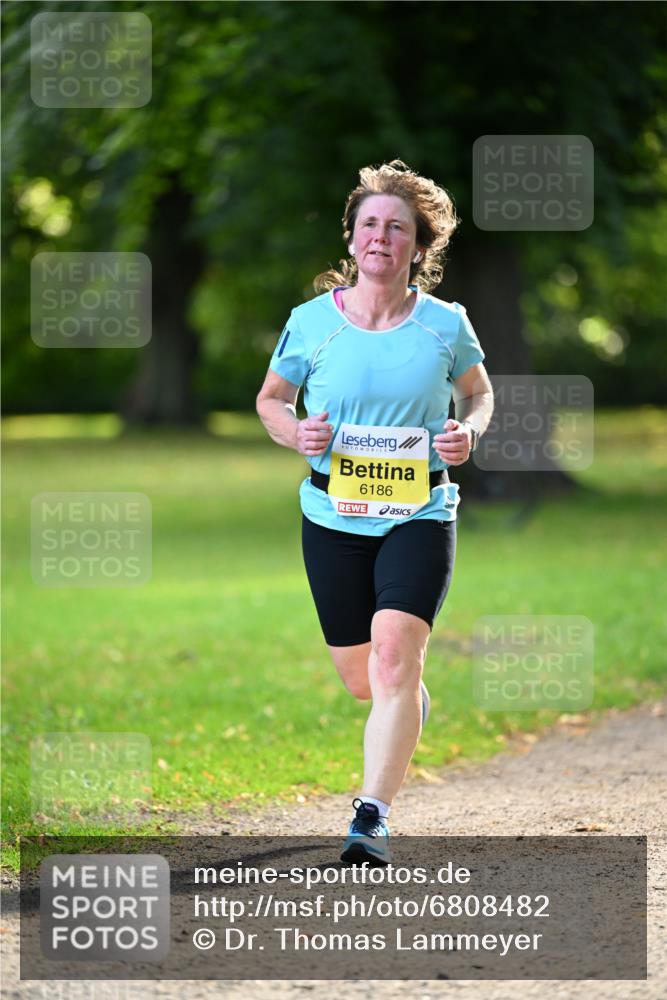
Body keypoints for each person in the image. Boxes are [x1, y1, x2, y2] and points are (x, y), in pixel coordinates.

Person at [256, 159, 494, 864]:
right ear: (352, 237)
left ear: (418, 246)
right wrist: (295, 433)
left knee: (394, 655)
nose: (380, 238)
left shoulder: (446, 325)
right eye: (370, 225)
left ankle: (370, 818)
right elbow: (271, 400)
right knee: (365, 680)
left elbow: (479, 394)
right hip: (332, 515)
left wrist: (468, 431)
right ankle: (405, 704)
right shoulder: (311, 324)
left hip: (420, 509)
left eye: (396, 228)